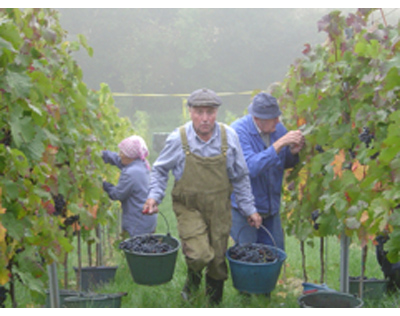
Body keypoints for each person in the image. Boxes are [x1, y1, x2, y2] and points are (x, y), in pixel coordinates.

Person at [143, 88, 262, 305]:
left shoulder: (229, 137)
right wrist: (154, 197)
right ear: (190, 111)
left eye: (210, 112)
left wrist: (249, 209)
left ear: (217, 112)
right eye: (199, 112)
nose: (205, 118)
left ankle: (213, 301)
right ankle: (193, 280)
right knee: (198, 254)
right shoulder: (178, 139)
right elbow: (160, 170)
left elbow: (240, 176)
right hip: (189, 206)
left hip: (219, 207)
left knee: (217, 260)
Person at [230, 92, 305, 250]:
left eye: (278, 116)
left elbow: (282, 162)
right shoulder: (238, 132)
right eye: (273, 117)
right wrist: (278, 145)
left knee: (275, 256)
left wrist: (293, 153)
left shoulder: (278, 129)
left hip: (271, 209)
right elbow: (249, 168)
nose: (278, 121)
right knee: (247, 258)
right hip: (244, 211)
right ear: (257, 118)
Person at [102, 135, 157, 237]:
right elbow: (119, 160)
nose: (119, 154)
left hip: (137, 224)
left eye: (122, 152)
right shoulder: (140, 163)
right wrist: (104, 155)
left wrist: (104, 184)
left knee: (136, 250)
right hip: (147, 220)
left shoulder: (131, 173)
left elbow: (117, 194)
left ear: (129, 156)